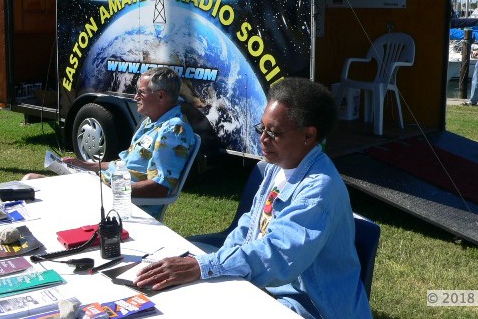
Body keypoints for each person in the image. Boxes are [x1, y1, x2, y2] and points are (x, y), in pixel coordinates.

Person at [134, 77, 372, 318]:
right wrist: (213, 264)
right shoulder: (276, 166)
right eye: (262, 128)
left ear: (308, 135)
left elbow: (278, 255)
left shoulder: (319, 192)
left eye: (274, 133)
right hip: (271, 289)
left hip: (313, 306)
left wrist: (206, 267)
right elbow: (250, 226)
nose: (262, 139)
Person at [23, 67, 195, 217]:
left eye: (141, 92)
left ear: (160, 96)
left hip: (119, 204)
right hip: (102, 188)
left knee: (32, 184)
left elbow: (159, 188)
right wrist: (85, 165)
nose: (135, 97)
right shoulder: (151, 122)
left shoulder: (173, 131)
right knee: (31, 181)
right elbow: (125, 164)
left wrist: (105, 190)